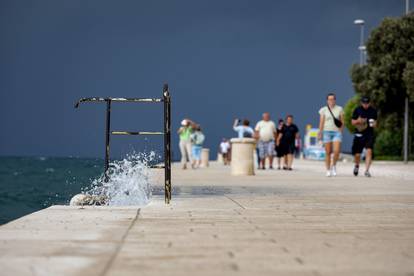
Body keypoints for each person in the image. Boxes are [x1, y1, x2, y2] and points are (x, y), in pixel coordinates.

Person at [318, 93, 344, 177]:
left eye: (333, 99)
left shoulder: (339, 109)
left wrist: (340, 131)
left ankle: (334, 165)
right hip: (326, 132)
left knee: (336, 151)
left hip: (336, 132)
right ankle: (328, 170)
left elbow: (342, 121)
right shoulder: (323, 110)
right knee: (328, 152)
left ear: (335, 100)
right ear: (327, 100)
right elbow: (321, 122)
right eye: (329, 99)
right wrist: (320, 133)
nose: (331, 101)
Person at [351, 96, 377, 177]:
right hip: (359, 134)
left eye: (367, 103)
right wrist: (358, 121)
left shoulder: (373, 111)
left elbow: (376, 123)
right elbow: (352, 122)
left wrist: (374, 124)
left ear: (369, 103)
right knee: (357, 154)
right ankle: (357, 165)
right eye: (364, 103)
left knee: (369, 151)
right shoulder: (357, 110)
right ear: (361, 103)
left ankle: (367, 170)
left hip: (369, 134)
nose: (365, 104)